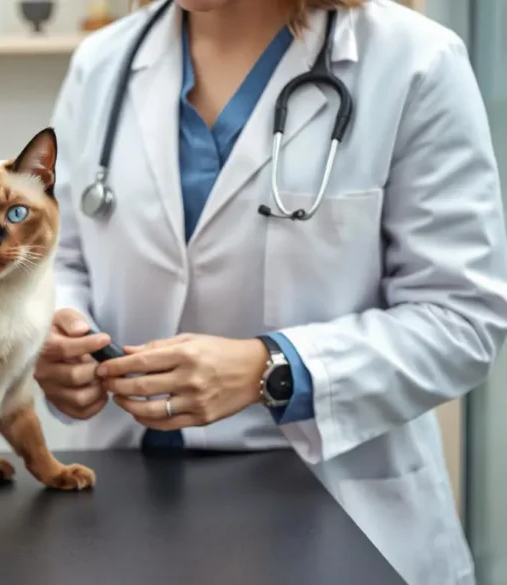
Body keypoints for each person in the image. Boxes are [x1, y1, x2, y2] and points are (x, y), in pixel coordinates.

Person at [35, 0, 507, 583]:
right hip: (127, 503)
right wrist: (57, 336)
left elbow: (462, 320)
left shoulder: (415, 62)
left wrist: (274, 368)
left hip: (338, 513)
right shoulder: (102, 62)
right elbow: (64, 258)